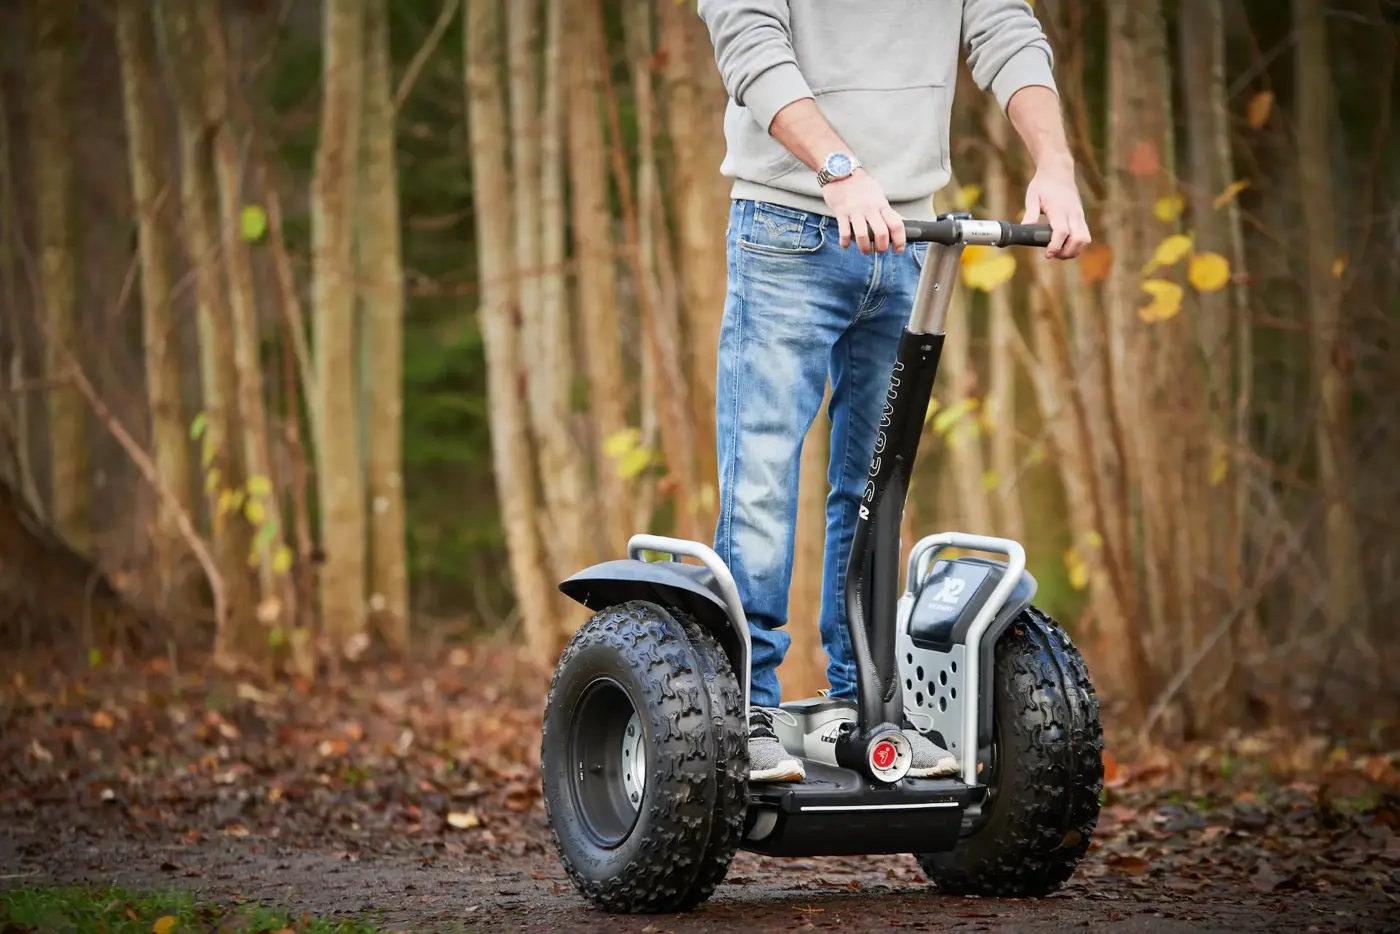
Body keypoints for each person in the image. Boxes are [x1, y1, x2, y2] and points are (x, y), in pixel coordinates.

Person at [695, 0, 1091, 782]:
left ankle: (862, 703)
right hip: (789, 223)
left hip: (911, 233)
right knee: (763, 481)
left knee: (877, 485)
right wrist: (838, 169)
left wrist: (1056, 164)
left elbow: (1005, 27)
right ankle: (749, 709)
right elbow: (748, 39)